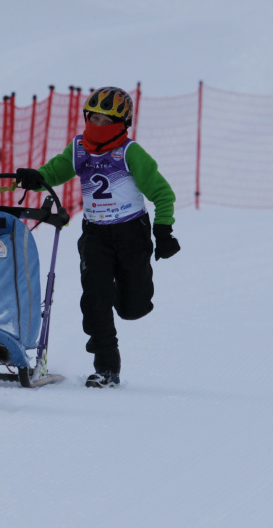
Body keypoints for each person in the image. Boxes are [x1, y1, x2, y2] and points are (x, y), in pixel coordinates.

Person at [16, 86, 180, 388]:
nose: (99, 126)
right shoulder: (79, 148)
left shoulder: (131, 153)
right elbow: (54, 173)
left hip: (131, 233)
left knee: (135, 308)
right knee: (94, 301)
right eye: (93, 118)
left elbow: (162, 193)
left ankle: (117, 289)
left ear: (122, 123)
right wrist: (35, 178)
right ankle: (106, 367)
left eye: (107, 121)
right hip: (96, 235)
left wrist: (164, 229)